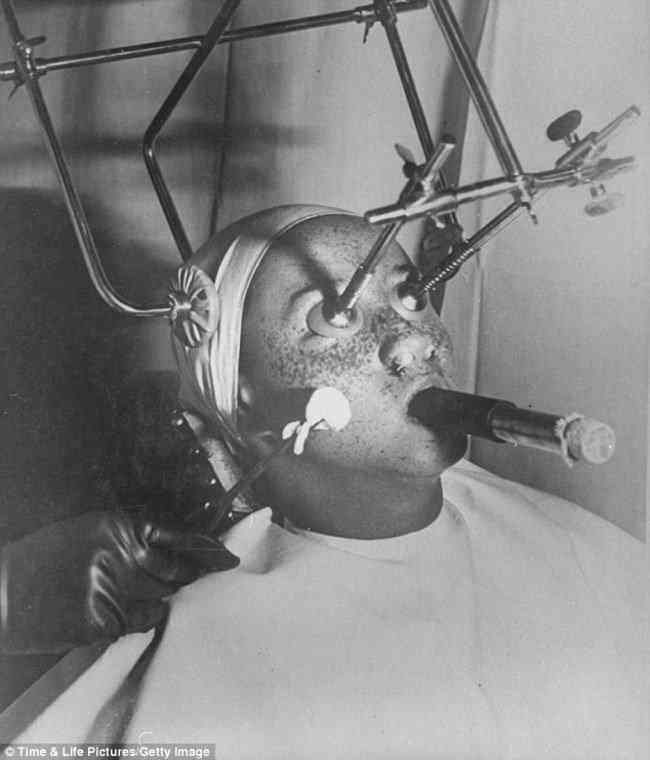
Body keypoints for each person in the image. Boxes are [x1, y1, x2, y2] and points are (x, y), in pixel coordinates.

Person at [12, 207, 646, 758]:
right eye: (330, 317)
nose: (410, 343)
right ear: (240, 395)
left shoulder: (592, 559)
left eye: (410, 296)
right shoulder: (188, 660)